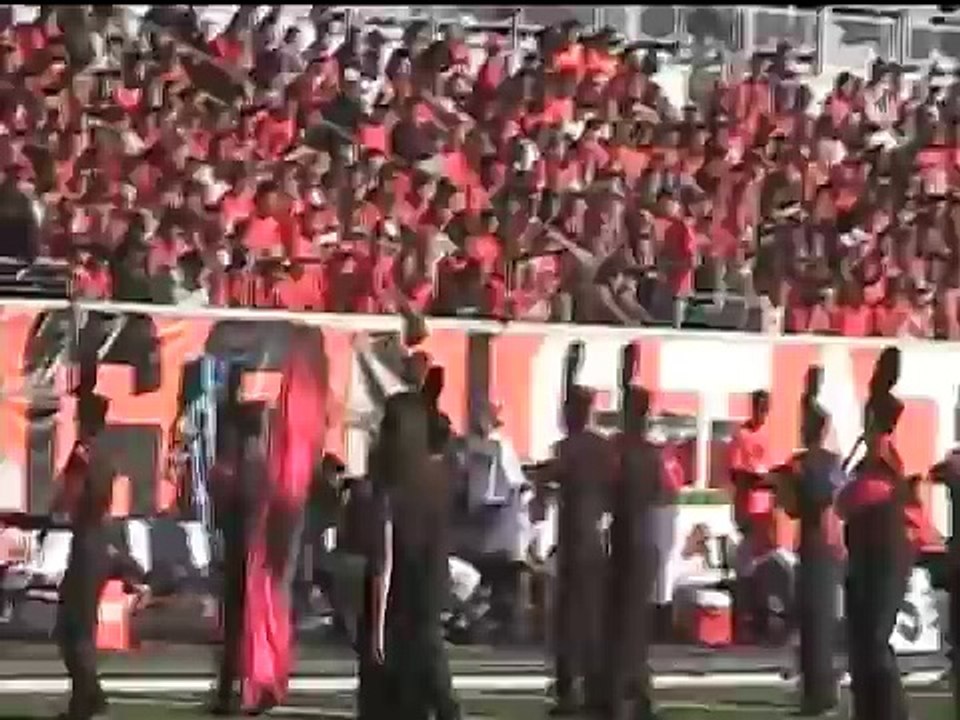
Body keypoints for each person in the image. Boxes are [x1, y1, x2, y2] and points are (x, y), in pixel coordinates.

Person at [242, 330, 330, 712]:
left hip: (282, 505)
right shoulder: (303, 422)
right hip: (285, 502)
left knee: (267, 592)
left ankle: (265, 679)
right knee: (272, 593)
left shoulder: (297, 426)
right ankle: (268, 678)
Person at [49, 390, 149, 720]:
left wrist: (58, 506)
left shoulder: (84, 453)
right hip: (104, 538)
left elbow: (67, 498)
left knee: (72, 627)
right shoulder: (108, 451)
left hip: (87, 541)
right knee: (81, 625)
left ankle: (88, 698)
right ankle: (89, 697)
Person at [364, 391, 461, 720]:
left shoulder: (390, 489)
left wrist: (374, 629)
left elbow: (383, 563)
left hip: (400, 599)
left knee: (405, 685)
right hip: (430, 588)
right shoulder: (436, 479)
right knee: (431, 672)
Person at [836, 347, 913, 720]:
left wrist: (844, 490)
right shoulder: (872, 458)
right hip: (867, 558)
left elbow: (854, 500)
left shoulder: (883, 460)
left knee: (873, 642)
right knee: (863, 645)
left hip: (882, 559)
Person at [549, 385, 615, 716]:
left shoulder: (567, 449)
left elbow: (553, 476)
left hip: (574, 538)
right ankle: (592, 684)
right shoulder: (603, 449)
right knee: (592, 616)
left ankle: (569, 686)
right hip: (595, 537)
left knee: (570, 616)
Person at [605, 386, 667, 720]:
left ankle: (621, 698)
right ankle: (639, 695)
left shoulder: (621, 451)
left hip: (626, 542)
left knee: (620, 624)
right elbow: (660, 495)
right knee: (636, 625)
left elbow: (611, 489)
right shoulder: (651, 454)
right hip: (646, 543)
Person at [781, 401, 844, 716]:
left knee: (813, 623)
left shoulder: (803, 464)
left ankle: (817, 693)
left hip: (816, 545)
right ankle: (819, 691)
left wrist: (790, 483)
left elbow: (794, 506)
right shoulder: (832, 462)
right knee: (818, 622)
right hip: (826, 547)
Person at [208, 400, 266, 716]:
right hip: (253, 554)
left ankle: (231, 691)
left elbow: (222, 510)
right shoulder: (258, 467)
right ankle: (247, 690)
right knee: (248, 626)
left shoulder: (232, 469)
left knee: (235, 627)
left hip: (238, 552)